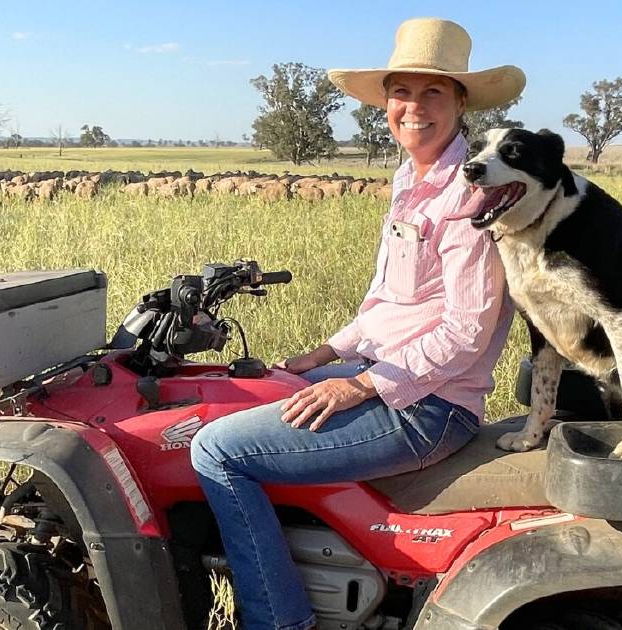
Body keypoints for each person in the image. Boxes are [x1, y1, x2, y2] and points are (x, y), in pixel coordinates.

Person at [189, 18, 526, 630]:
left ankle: (277, 620)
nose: (414, 108)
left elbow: (468, 330)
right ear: (386, 104)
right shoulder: (411, 182)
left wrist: (360, 385)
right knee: (252, 396)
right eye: (402, 92)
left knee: (215, 450)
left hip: (429, 406)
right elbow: (387, 303)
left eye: (433, 93)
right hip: (389, 374)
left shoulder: (467, 196)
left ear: (459, 103)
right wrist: (320, 356)